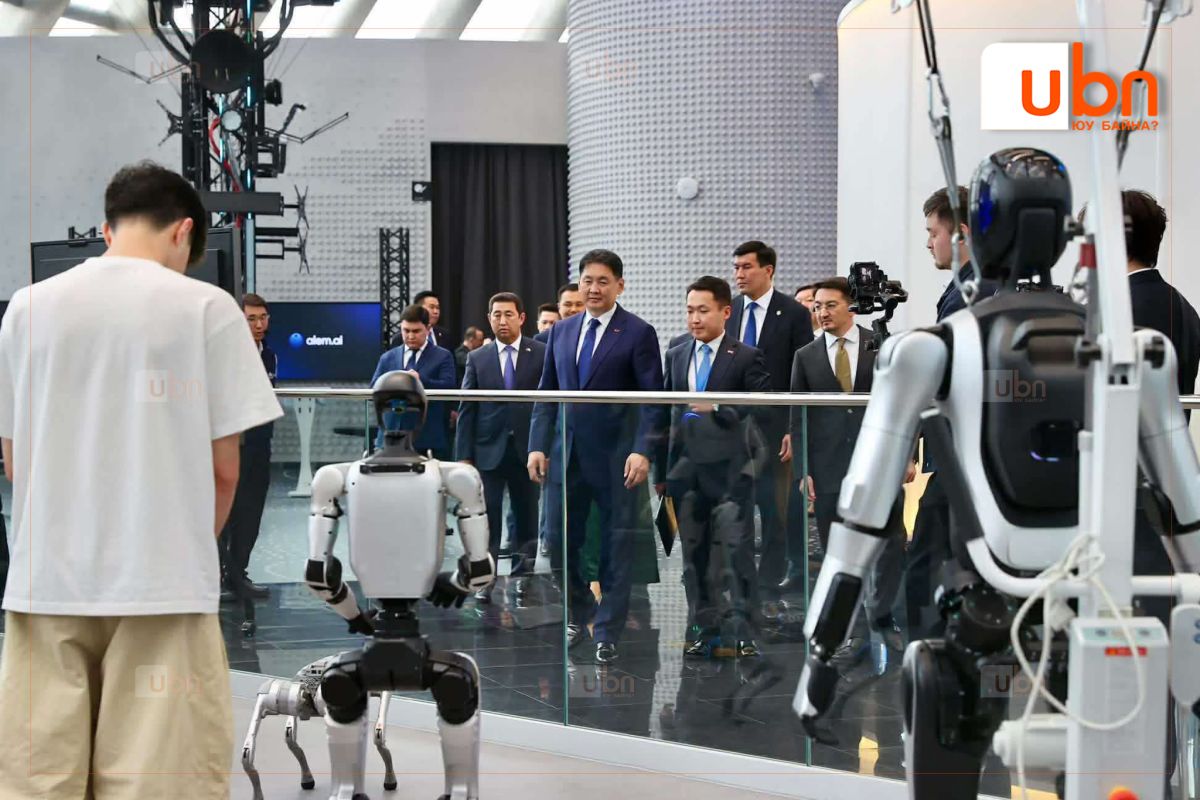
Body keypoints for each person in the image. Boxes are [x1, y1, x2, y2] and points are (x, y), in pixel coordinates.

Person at [0, 162, 283, 799]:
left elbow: (15, 465)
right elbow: (225, 470)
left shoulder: (26, 308)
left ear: (108, 229)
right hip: (163, 588)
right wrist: (187, 546)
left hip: (46, 584)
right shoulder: (206, 308)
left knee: (38, 782)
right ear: (183, 232)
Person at [528, 249, 665, 664]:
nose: (593, 288)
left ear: (620, 285)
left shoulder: (638, 333)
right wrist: (537, 444)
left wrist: (642, 450)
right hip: (565, 457)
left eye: (603, 281)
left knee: (615, 548)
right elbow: (547, 393)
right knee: (557, 543)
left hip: (617, 459)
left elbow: (653, 401)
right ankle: (582, 610)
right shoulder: (562, 331)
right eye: (587, 280)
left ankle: (607, 631)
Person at [789, 278, 908, 654]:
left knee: (890, 542)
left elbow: (904, 402)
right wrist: (803, 469)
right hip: (827, 465)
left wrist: (909, 456)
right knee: (836, 548)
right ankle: (850, 628)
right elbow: (798, 416)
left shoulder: (882, 344)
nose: (822, 313)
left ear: (851, 306)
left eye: (830, 305)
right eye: (817, 306)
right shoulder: (806, 356)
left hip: (879, 458)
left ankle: (884, 615)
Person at [656, 276, 770, 659]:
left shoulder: (746, 356)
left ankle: (745, 633)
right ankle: (703, 630)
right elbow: (666, 414)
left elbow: (762, 405)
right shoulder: (676, 352)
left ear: (725, 311)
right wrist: (662, 473)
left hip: (732, 471)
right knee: (695, 560)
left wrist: (718, 407)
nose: (695, 318)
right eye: (690, 310)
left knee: (738, 555)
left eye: (703, 311)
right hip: (687, 473)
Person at [906, 185, 1000, 636]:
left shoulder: (970, 294)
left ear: (960, 233)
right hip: (974, 450)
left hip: (963, 452)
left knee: (927, 561)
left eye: (933, 233)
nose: (929, 243)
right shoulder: (979, 287)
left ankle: (931, 648)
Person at [723, 241, 814, 608]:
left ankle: (770, 582)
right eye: (736, 268)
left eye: (746, 267)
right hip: (733, 429)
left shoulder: (792, 313)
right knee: (737, 509)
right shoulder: (730, 311)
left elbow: (801, 373)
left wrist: (794, 426)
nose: (739, 274)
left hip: (776, 430)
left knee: (775, 510)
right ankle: (741, 580)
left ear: (768, 270)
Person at [456, 293, 546, 602]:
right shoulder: (478, 358)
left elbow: (548, 405)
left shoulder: (540, 353)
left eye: (508, 314)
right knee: (487, 517)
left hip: (527, 449)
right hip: (487, 450)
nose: (502, 320)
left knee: (526, 515)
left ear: (521, 318)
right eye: (496, 315)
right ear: (489, 318)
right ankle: (486, 577)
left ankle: (524, 576)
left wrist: (544, 447)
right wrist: (464, 457)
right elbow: (467, 408)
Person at [218, 292, 279, 601]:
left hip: (260, 441)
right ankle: (221, 576)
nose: (258, 325)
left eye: (262, 318)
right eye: (251, 319)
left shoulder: (269, 354)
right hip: (234, 442)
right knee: (228, 512)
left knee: (252, 511)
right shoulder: (226, 355)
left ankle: (238, 573)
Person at [372, 304, 456, 458]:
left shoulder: (443, 356)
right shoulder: (388, 357)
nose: (410, 336)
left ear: (428, 329)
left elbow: (449, 387)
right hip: (389, 434)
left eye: (416, 331)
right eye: (406, 331)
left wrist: (419, 380)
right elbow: (374, 387)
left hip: (426, 437)